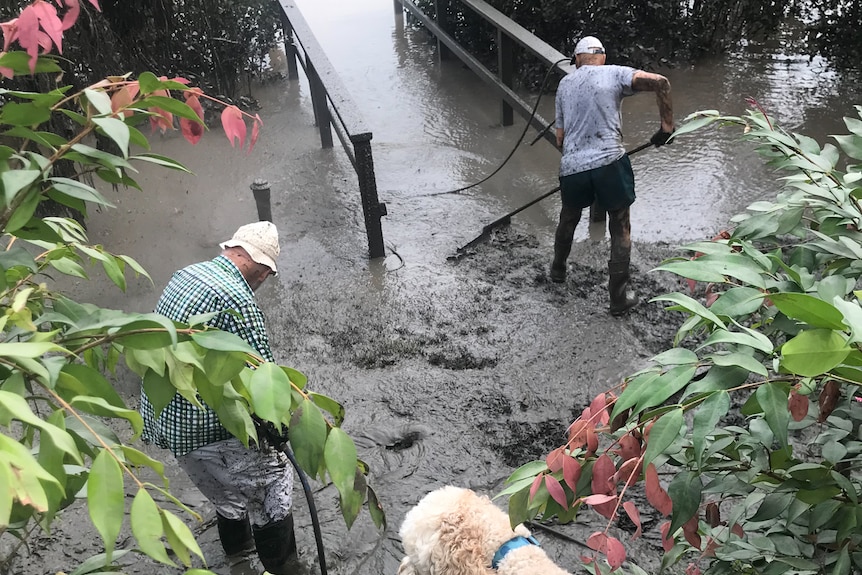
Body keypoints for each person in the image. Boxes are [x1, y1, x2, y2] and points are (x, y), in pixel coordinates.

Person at [139, 221, 296, 574]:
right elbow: (261, 374)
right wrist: (278, 426)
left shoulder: (186, 274)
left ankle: (239, 559)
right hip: (209, 427)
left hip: (171, 424)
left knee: (228, 497)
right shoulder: (237, 297)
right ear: (259, 265)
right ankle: (283, 567)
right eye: (267, 274)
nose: (264, 281)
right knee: (274, 484)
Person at [550, 35, 674, 316]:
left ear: (577, 60)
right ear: (602, 57)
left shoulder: (564, 84)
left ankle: (558, 270)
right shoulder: (616, 73)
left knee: (568, 216)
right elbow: (661, 83)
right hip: (609, 163)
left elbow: (560, 138)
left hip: (572, 167)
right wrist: (666, 126)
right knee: (620, 229)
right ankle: (618, 299)